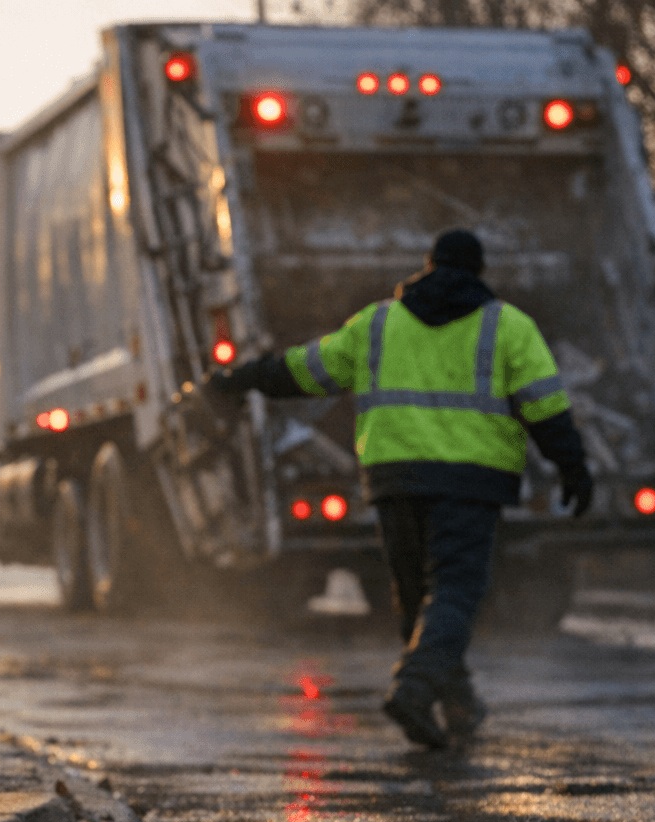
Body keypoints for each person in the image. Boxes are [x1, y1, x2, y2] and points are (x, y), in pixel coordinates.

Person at [207, 228, 593, 750]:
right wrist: (573, 468)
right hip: (471, 481)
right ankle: (414, 690)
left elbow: (303, 370)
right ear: (480, 273)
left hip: (395, 480)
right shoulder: (508, 327)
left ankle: (457, 704)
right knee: (455, 591)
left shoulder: (378, 323)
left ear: (428, 267)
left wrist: (241, 377)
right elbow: (546, 409)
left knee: (417, 596)